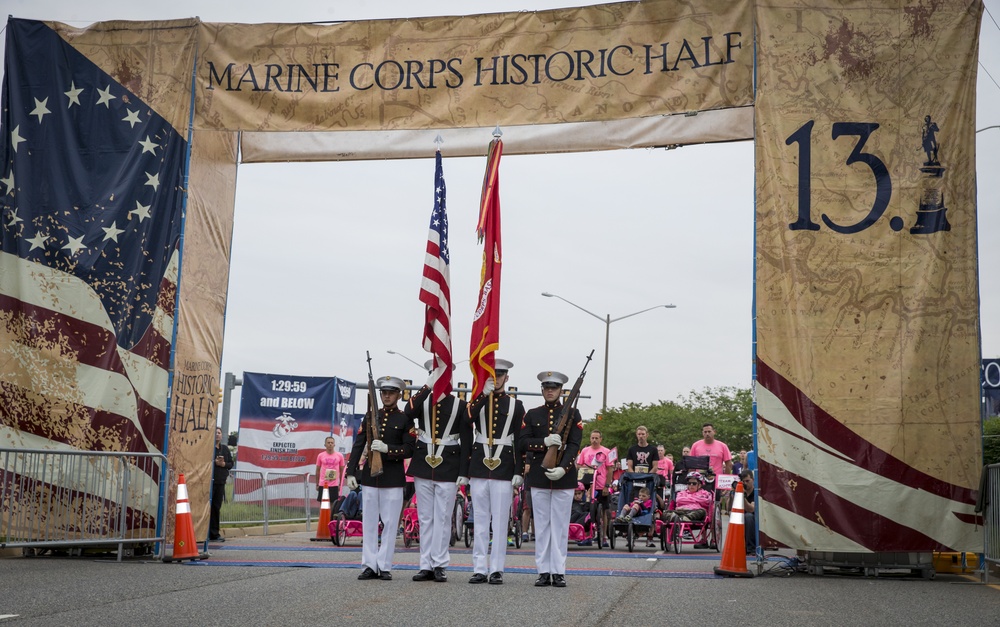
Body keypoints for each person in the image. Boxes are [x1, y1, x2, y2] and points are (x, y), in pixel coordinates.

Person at [404, 361, 470, 583]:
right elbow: (407, 413)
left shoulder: (460, 405)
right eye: (436, 374)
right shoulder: (422, 400)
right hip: (423, 463)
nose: (440, 378)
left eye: (443, 374)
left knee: (442, 517)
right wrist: (426, 385)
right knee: (425, 517)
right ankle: (425, 564)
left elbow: (467, 441)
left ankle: (440, 563)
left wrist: (464, 471)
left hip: (449, 466)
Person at [462, 358, 525, 585]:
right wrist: (481, 395)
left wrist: (519, 470)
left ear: (507, 378)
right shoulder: (477, 402)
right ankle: (479, 567)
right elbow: (465, 421)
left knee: (500, 521)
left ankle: (496, 568)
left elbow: (520, 440)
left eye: (500, 375)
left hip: (504, 466)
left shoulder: (516, 406)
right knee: (479, 520)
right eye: (492, 374)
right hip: (479, 465)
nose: (496, 378)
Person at [346, 376, 415, 581]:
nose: (386, 396)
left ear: (398, 395)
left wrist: (388, 449)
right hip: (369, 478)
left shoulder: (404, 420)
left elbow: (410, 449)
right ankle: (368, 564)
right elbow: (358, 444)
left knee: (390, 523)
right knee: (368, 523)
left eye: (391, 392)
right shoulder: (369, 416)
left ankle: (384, 565)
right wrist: (351, 471)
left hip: (392, 478)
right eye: (383, 392)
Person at [519, 370, 583, 589]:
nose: (550, 391)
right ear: (542, 390)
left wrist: (563, 469)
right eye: (546, 388)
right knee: (543, 526)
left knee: (559, 526)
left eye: (553, 388)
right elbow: (523, 442)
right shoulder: (532, 414)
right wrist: (544, 442)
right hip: (539, 475)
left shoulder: (574, 414)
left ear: (561, 391)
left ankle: (558, 571)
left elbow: (574, 445)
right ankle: (543, 571)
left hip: (563, 478)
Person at [576, 429, 613, 547]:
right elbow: (579, 465)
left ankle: (603, 537)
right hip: (587, 484)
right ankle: (587, 535)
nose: (594, 440)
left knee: (603, 512)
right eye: (592, 438)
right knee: (587, 510)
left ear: (601, 439)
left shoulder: (606, 451)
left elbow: (610, 469)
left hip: (601, 485)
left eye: (597, 438)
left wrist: (607, 486)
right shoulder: (585, 451)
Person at [210, 426, 234, 542]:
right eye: (215, 433)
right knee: (207, 508)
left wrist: (224, 464)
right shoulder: (208, 448)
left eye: (219, 433)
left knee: (216, 508)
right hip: (209, 482)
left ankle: (214, 533)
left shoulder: (224, 449)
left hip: (220, 482)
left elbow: (231, 463)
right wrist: (214, 462)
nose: (217, 434)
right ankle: (203, 533)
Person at [314, 436, 345, 505]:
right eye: (328, 443)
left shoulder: (339, 456)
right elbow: (318, 470)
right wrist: (317, 483)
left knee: (333, 504)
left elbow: (342, 471)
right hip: (323, 483)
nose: (330, 444)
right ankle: (322, 516)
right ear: (325, 445)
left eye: (332, 443)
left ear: (334, 444)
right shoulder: (320, 455)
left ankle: (331, 516)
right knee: (323, 504)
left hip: (334, 484)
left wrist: (341, 484)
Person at [740, 470, 757, 554]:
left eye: (747, 481)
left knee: (748, 516)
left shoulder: (756, 493)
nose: (745, 483)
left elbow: (751, 509)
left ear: (753, 480)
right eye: (743, 481)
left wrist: (742, 497)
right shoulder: (741, 491)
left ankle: (751, 548)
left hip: (754, 519)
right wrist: (732, 495)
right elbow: (729, 510)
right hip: (741, 517)